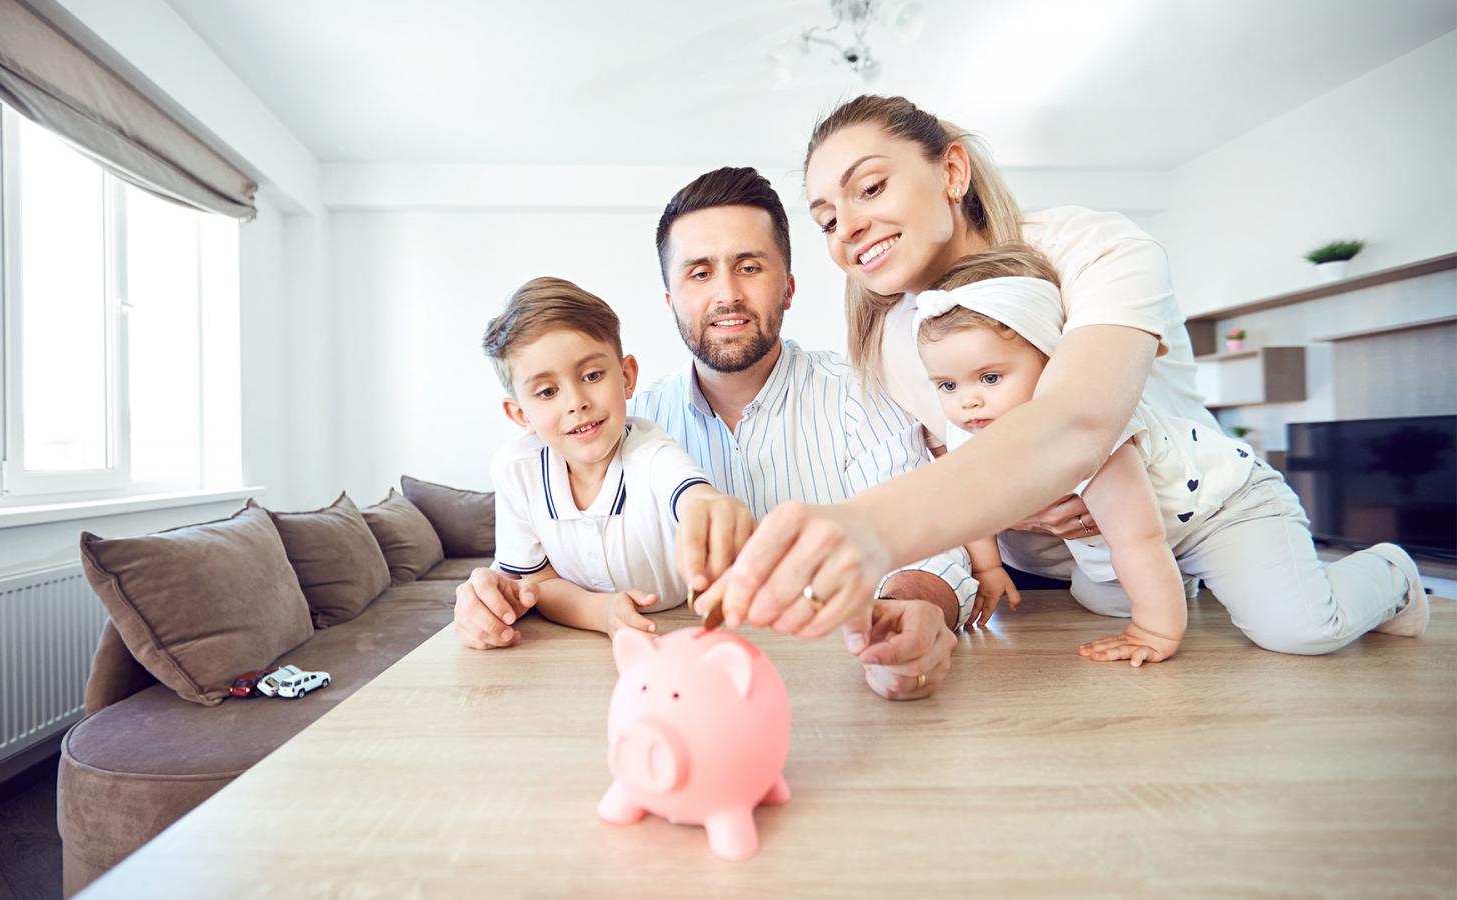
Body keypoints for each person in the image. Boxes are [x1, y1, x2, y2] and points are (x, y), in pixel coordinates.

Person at [697, 94, 1427, 656]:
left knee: (1292, 629)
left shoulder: (1096, 250)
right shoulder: (889, 340)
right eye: (826, 219)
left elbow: (1078, 424)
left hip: (1190, 517)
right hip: (1072, 576)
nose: (848, 227)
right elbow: (951, 472)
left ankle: (1391, 575)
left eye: (870, 189)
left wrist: (871, 529)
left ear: (952, 171)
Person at [457, 167, 974, 700]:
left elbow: (931, 550)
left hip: (838, 696)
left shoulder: (862, 397)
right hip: (672, 704)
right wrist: (490, 596)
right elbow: (545, 574)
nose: (727, 294)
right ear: (670, 300)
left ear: (789, 287)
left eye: (749, 267)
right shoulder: (615, 427)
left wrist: (913, 610)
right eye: (699, 273)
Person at [917, 245, 1427, 662]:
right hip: (1152, 533)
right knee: (1100, 598)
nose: (968, 401)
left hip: (1225, 509)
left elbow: (1138, 539)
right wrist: (986, 568)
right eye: (946, 384)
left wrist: (1156, 632)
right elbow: (971, 504)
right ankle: (1188, 581)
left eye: (989, 377)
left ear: (1055, 361)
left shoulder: (1093, 427)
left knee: (1300, 631)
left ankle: (1391, 573)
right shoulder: (973, 428)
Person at [455, 276, 754, 646]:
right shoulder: (517, 470)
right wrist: (603, 612)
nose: (576, 401)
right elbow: (538, 582)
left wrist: (713, 507)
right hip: (581, 646)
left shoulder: (650, 453)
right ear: (520, 415)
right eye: (547, 391)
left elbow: (693, 496)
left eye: (592, 375)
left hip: (680, 633)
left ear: (627, 377)